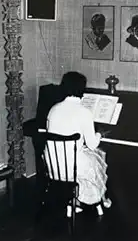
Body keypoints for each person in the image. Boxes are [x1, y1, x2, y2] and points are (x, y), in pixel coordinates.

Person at [45, 72, 112, 210]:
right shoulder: (84, 112)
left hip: (53, 165)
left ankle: (75, 200)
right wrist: (100, 134)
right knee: (98, 156)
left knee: (87, 156)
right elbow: (92, 145)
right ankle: (100, 199)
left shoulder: (53, 109)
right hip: (73, 167)